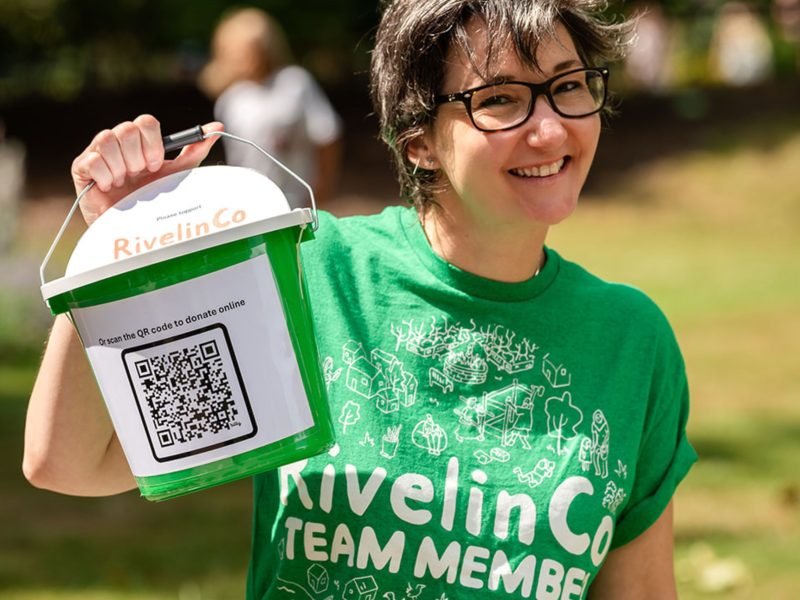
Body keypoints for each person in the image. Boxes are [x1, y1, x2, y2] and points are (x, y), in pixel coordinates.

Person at [24, 1, 697, 597]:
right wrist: (121, 238)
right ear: (420, 143)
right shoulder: (311, 277)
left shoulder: (631, 340)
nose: (550, 129)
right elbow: (71, 463)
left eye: (569, 87)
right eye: (500, 100)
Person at [198, 7, 343, 207]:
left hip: (298, 199)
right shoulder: (230, 99)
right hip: (253, 203)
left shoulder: (294, 83)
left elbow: (327, 136)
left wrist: (323, 188)